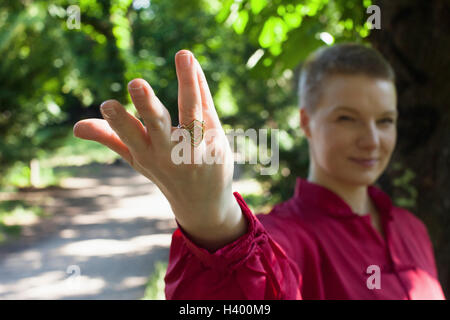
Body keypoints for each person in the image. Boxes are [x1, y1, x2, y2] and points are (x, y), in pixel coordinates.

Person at [73, 43, 446, 300]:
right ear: (306, 122)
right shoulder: (285, 237)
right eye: (347, 118)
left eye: (385, 120)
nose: (371, 139)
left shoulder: (412, 229)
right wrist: (210, 219)